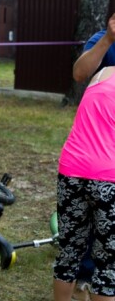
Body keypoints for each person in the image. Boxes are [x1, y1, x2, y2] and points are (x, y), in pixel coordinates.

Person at [64, 13, 115, 301]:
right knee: (88, 230)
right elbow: (79, 74)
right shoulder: (102, 39)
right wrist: (108, 39)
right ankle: (85, 279)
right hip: (96, 152)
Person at [53, 65, 115, 301]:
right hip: (109, 177)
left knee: (69, 253)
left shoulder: (101, 73)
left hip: (72, 170)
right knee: (108, 262)